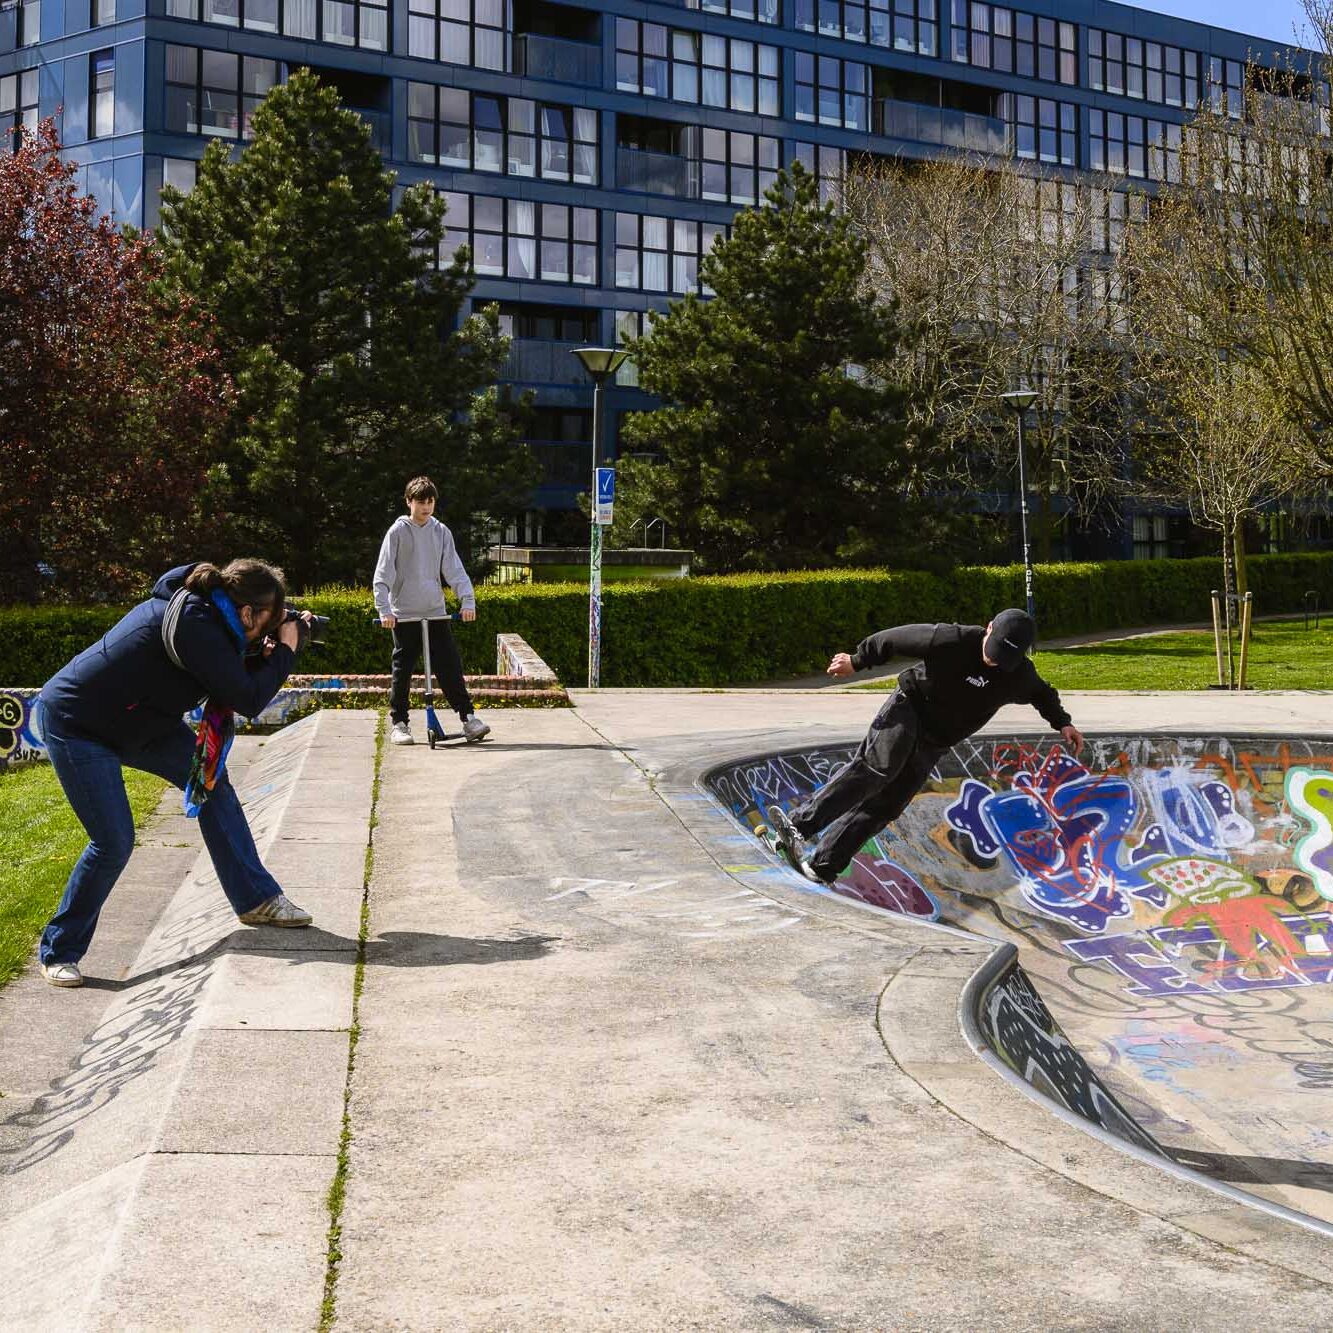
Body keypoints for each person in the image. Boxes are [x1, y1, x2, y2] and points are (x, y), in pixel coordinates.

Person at [36, 560, 315, 989]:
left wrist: (271, 639)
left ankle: (256, 901)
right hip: (78, 724)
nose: (270, 630)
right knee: (114, 841)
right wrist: (288, 652)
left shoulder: (215, 615)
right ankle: (60, 949)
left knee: (212, 785)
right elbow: (247, 697)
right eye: (269, 622)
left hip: (141, 721)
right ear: (246, 613)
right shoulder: (195, 625)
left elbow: (236, 668)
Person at [769, 609, 1084, 885]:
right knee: (879, 767)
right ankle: (799, 825)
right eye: (992, 651)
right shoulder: (951, 639)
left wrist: (1063, 723)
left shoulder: (1019, 674)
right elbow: (893, 639)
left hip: (936, 740)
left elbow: (1042, 693)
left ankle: (824, 865)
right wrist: (857, 660)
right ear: (988, 628)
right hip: (909, 707)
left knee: (889, 804)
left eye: (1002, 659)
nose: (993, 660)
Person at [373, 475, 489, 747]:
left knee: (449, 666)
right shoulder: (398, 532)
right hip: (405, 614)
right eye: (420, 502)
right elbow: (383, 572)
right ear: (408, 502)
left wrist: (467, 601)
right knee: (402, 668)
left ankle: (468, 717)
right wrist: (384, 610)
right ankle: (400, 723)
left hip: (436, 612)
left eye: (430, 501)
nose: (426, 507)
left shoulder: (441, 532)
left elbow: (454, 569)